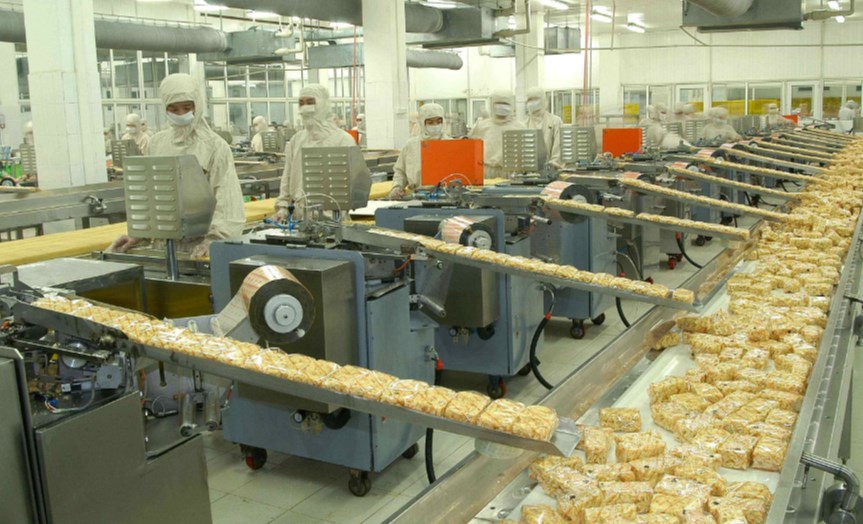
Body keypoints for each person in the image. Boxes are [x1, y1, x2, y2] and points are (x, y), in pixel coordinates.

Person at [108, 73, 245, 259]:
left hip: (200, 246)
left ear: (197, 105)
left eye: (187, 107)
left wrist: (217, 239)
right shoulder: (157, 143)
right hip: (163, 245)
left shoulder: (214, 146)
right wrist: (139, 233)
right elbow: (151, 194)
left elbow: (227, 198)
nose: (181, 114)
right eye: (173, 109)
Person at [275, 84, 356, 222]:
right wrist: (283, 206)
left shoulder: (343, 140)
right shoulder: (297, 140)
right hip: (299, 216)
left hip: (333, 218)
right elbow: (287, 175)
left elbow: (350, 184)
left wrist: (332, 213)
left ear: (323, 104)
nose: (305, 107)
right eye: (301, 103)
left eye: (310, 102)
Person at [389, 103, 448, 199]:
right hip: (417, 195)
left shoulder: (451, 145)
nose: (435, 125)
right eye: (430, 122)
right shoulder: (411, 145)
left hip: (446, 196)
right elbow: (400, 171)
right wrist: (397, 186)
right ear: (422, 122)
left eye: (438, 121)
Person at [468, 91, 525, 179]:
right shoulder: (482, 126)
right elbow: (470, 147)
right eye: (498, 103)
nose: (501, 107)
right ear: (492, 105)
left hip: (509, 173)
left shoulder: (519, 127)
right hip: (486, 171)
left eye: (505, 104)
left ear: (511, 105)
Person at [523, 87, 563, 169]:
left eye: (536, 99)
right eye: (530, 100)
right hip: (529, 170)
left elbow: (559, 147)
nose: (532, 102)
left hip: (552, 170)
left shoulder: (555, 121)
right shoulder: (524, 124)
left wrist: (552, 165)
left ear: (543, 100)